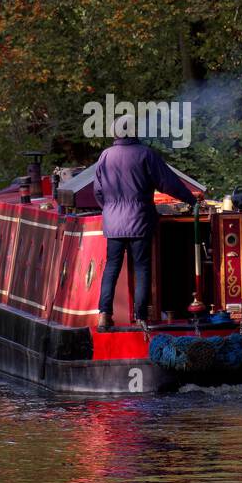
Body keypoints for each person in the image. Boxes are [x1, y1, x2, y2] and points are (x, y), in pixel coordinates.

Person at [93, 114, 200, 329]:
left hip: (113, 223)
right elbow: (167, 183)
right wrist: (191, 198)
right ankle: (141, 317)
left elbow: (98, 190)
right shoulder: (145, 154)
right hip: (140, 220)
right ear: (134, 131)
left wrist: (110, 210)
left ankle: (104, 314)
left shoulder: (105, 156)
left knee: (112, 267)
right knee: (141, 268)